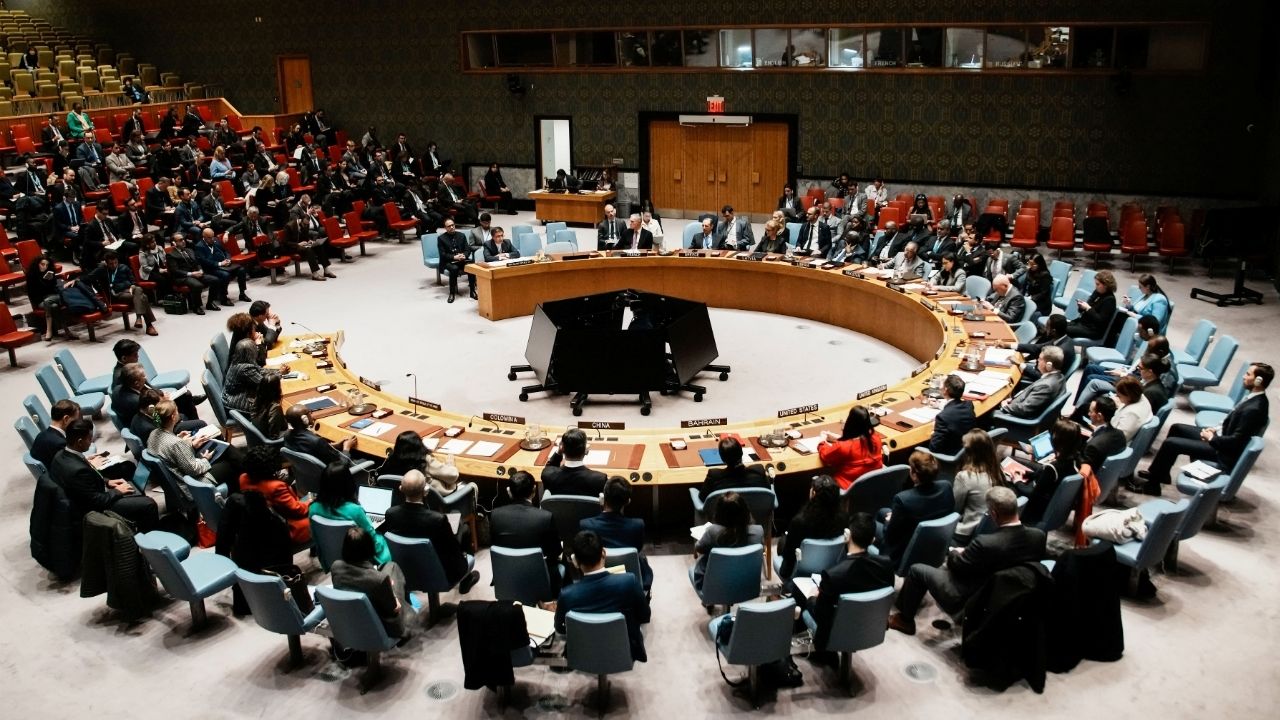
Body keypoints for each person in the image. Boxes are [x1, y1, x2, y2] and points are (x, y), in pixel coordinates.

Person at [888, 486, 1046, 635]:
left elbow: (958, 567)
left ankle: (905, 620)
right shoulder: (1038, 536)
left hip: (969, 595)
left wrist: (955, 553)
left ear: (994, 514)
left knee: (917, 570)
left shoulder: (986, 543)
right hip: (1011, 594)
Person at [1138, 363, 1272, 494]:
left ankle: (1153, 486)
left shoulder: (1254, 409)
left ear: (1258, 381)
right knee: (1177, 428)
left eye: (1248, 374)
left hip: (1223, 452)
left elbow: (1235, 442)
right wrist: (1213, 429)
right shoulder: (1253, 399)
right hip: (1221, 436)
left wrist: (1211, 438)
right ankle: (1161, 474)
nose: (1243, 376)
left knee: (1171, 444)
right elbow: (1231, 420)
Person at [801, 512, 895, 652]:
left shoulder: (833, 575)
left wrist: (811, 598)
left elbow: (821, 616)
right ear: (873, 540)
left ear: (847, 535)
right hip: (871, 628)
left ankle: (821, 654)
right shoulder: (887, 565)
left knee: (802, 603)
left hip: (836, 634)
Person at [377, 470, 480, 592]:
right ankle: (466, 579)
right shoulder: (437, 520)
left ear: (400, 489)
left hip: (408, 571)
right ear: (426, 491)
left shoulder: (391, 514)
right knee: (465, 529)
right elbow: (452, 549)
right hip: (441, 572)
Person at [555, 531, 650, 662]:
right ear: (604, 553)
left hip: (583, 652)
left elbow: (560, 629)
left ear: (575, 561)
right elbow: (645, 616)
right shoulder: (629, 582)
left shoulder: (566, 595)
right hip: (624, 651)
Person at [54, 418, 159, 532]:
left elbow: (85, 483)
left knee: (129, 476)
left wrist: (107, 481)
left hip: (90, 495)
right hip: (95, 510)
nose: (91, 442)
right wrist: (118, 491)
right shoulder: (78, 470)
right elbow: (96, 501)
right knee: (149, 504)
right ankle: (147, 539)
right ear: (79, 441)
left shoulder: (60, 455)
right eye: (89, 439)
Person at [330, 527, 411, 639]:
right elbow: (393, 610)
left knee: (387, 566)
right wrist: (394, 596)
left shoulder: (335, 567)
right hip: (381, 627)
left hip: (351, 621)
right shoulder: (379, 580)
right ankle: (407, 618)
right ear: (369, 548)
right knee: (393, 567)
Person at [146, 399, 243, 491]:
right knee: (230, 462)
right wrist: (205, 459)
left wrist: (189, 445)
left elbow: (169, 452)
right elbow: (194, 470)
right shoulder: (176, 443)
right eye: (177, 411)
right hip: (191, 482)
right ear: (173, 417)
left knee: (227, 452)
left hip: (178, 477)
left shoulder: (153, 433)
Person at [33, 399, 136, 481]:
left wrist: (87, 459)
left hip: (57, 476)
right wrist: (91, 465)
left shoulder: (41, 436)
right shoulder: (60, 443)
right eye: (77, 419)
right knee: (127, 467)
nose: (78, 422)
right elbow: (68, 469)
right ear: (66, 419)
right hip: (74, 480)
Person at [310, 460, 391, 564]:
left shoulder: (313, 508)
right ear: (348, 484)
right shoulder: (355, 510)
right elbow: (373, 541)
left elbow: (317, 541)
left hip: (331, 558)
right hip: (360, 560)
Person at [580, 476, 652, 590]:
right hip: (629, 578)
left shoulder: (585, 525)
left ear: (602, 498)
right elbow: (637, 549)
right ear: (628, 501)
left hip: (597, 579)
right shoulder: (637, 525)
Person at [879, 451, 953, 565]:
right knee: (883, 512)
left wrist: (889, 521)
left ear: (914, 475)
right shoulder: (946, 486)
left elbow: (891, 536)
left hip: (905, 549)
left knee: (874, 524)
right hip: (935, 541)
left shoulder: (903, 499)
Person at [490, 471, 562, 581]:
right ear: (534, 491)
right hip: (540, 578)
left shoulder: (495, 515)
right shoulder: (545, 517)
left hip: (507, 576)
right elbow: (556, 551)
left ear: (508, 491)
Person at [1013, 418, 1083, 526]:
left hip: (1035, 512)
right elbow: (1045, 480)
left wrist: (1017, 481)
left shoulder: (1052, 468)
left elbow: (1033, 494)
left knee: (1009, 486)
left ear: (1056, 438)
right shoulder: (1075, 461)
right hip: (1052, 506)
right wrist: (1028, 474)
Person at [237, 445, 312, 546]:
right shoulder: (276, 487)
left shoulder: (243, 478)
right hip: (288, 529)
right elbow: (298, 510)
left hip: (261, 526)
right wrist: (311, 501)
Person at [691, 492, 764, 592]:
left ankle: (710, 601)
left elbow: (699, 548)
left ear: (719, 513)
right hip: (746, 583)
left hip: (713, 585)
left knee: (704, 556)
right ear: (745, 511)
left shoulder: (712, 532)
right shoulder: (758, 531)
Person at [776, 475, 846, 579]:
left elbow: (788, 555)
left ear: (813, 493)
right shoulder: (844, 517)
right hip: (830, 567)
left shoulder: (800, 522)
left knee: (782, 543)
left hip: (799, 572)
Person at [224, 337, 286, 438]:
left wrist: (278, 371)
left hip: (232, 397)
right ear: (250, 353)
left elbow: (259, 371)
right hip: (239, 402)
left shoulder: (240, 360)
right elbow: (264, 384)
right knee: (271, 399)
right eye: (255, 349)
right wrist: (279, 375)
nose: (257, 350)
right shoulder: (245, 369)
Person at [952, 429, 1007, 540]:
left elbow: (954, 509)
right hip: (991, 528)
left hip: (967, 532)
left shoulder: (964, 476)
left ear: (970, 453)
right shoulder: (997, 471)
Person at [379, 430, 463, 500]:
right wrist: (450, 463)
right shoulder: (424, 461)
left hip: (403, 500)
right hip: (437, 500)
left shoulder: (392, 460)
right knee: (471, 485)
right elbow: (452, 476)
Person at [818, 406, 884, 491]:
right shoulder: (876, 438)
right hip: (872, 488)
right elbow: (859, 440)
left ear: (850, 422)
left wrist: (822, 441)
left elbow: (825, 456)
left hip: (848, 491)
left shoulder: (843, 447)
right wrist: (838, 438)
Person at [91, 251, 158, 336]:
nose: (114, 265)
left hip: (129, 291)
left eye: (115, 262)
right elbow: (91, 278)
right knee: (143, 297)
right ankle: (147, 324)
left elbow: (133, 281)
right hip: (116, 294)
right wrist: (101, 290)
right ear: (106, 263)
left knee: (138, 289)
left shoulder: (124, 267)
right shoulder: (103, 270)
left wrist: (133, 285)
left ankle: (140, 319)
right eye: (111, 264)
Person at [1000, 345, 1065, 418]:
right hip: (1018, 402)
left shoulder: (1046, 386)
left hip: (1016, 416)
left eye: (1040, 359)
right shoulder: (1059, 376)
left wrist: (1005, 406)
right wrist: (1012, 399)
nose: (1037, 360)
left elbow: (1024, 409)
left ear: (1048, 366)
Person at [698, 436, 770, 501]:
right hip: (755, 514)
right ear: (742, 453)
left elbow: (702, 498)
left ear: (722, 458)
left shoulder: (714, 476)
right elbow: (768, 491)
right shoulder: (758, 470)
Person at [543, 427, 608, 497]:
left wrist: (559, 452)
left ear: (562, 448)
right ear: (586, 451)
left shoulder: (548, 475)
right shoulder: (599, 480)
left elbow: (550, 468)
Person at [25, 255, 75, 341]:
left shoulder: (50, 274)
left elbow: (54, 290)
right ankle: (67, 331)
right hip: (39, 300)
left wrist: (50, 281)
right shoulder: (31, 276)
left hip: (52, 297)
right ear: (37, 264)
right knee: (53, 306)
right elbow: (32, 293)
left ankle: (49, 330)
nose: (44, 267)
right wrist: (43, 282)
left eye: (47, 265)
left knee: (49, 301)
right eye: (42, 264)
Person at [1016, 314, 1076, 384]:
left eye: (1047, 326)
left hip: (1042, 380)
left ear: (1053, 331)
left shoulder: (1059, 352)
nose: (1045, 328)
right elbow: (1037, 347)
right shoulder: (1064, 339)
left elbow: (1043, 376)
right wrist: (1010, 346)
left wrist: (1020, 364)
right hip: (1039, 369)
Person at [163, 232, 211, 314]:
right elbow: (175, 271)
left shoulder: (189, 250)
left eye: (183, 239)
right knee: (198, 285)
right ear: (174, 243)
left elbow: (197, 263)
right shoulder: (170, 255)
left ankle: (210, 302)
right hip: (181, 277)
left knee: (215, 279)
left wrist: (200, 270)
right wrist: (191, 274)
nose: (183, 241)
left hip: (195, 273)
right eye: (180, 240)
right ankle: (197, 307)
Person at [929, 374, 975, 455]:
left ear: (945, 390)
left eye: (942, 385)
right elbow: (955, 410)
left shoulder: (942, 417)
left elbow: (934, 448)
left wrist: (934, 431)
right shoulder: (969, 405)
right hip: (967, 450)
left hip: (950, 454)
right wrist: (939, 405)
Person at [1066, 270, 1118, 341]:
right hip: (1083, 324)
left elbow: (1100, 320)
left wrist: (1088, 308)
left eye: (1098, 284)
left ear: (1106, 285)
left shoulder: (1110, 300)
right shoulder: (1097, 293)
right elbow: (1082, 310)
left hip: (1094, 331)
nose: (1096, 287)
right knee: (1059, 322)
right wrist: (1082, 306)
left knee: (1062, 329)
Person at [437, 218, 474, 303]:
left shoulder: (461, 235)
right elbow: (443, 254)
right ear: (445, 228)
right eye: (449, 226)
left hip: (462, 259)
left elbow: (467, 249)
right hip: (448, 261)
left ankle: (472, 291)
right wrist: (454, 257)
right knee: (454, 269)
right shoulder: (441, 238)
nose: (452, 227)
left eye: (453, 225)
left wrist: (464, 255)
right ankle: (452, 293)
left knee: (471, 266)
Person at [1112, 376, 1154, 441]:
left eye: (1119, 395)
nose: (1116, 396)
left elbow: (1117, 439)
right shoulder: (1142, 397)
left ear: (1129, 397)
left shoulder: (1131, 414)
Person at [1019, 252, 1053, 317]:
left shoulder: (1045, 275)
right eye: (1029, 264)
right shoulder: (1030, 271)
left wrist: (1031, 298)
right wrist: (1021, 296)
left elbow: (1043, 293)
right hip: (1030, 298)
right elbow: (1024, 286)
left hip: (1042, 303)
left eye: (1033, 264)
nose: (1030, 266)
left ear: (1039, 264)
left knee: (1023, 311)